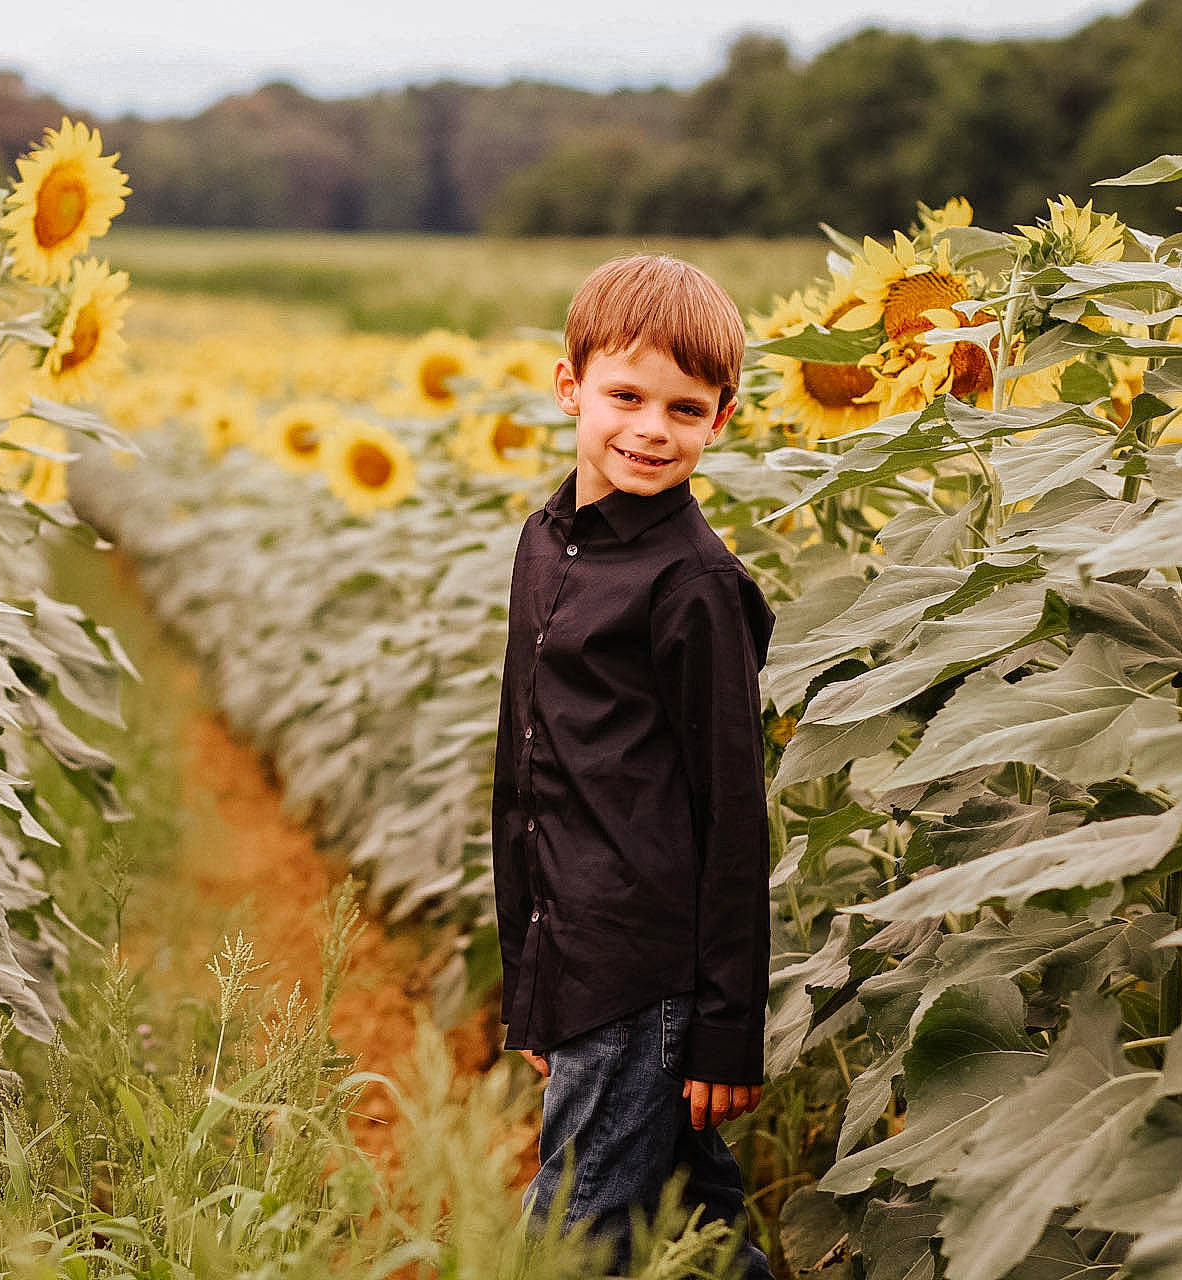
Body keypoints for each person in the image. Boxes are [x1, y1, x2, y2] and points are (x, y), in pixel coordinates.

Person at [491, 253, 777, 1278]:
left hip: (643, 970)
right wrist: (530, 977)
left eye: (684, 408)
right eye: (626, 396)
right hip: (574, 953)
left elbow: (734, 816)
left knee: (570, 1241)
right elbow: (524, 773)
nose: (652, 428)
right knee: (691, 1230)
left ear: (722, 418)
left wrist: (725, 1029)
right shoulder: (546, 541)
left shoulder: (694, 585)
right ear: (571, 388)